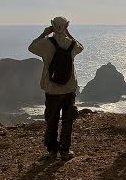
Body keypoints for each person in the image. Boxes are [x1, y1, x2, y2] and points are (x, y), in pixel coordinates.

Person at [28, 17, 84, 160]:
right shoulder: (72, 45)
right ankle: (65, 151)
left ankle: (52, 150)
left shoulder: (46, 44)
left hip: (52, 88)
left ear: (52, 26)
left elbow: (31, 47)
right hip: (69, 88)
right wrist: (68, 33)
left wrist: (45, 33)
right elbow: (81, 47)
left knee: (52, 119)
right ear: (66, 26)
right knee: (67, 120)